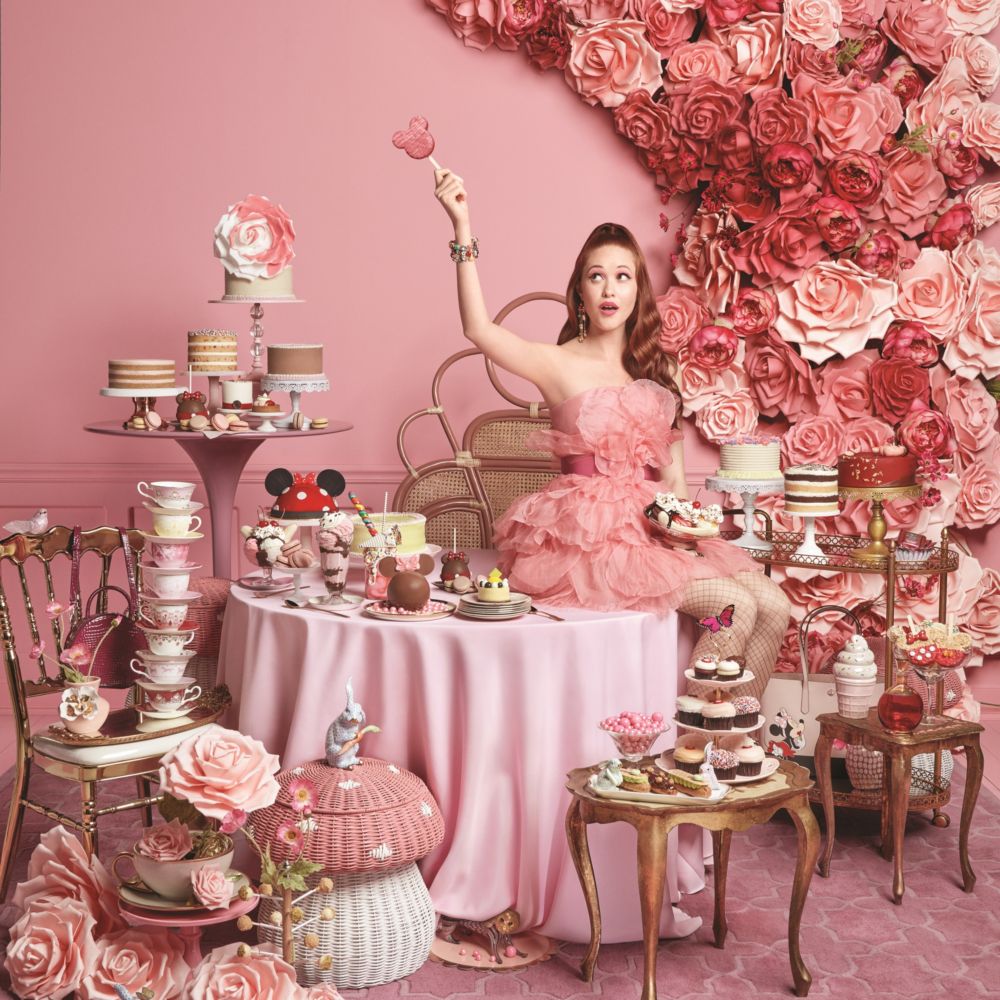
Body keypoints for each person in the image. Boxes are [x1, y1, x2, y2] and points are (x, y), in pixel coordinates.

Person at [434, 168, 790, 701]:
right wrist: (462, 226)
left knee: (775, 605)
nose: (609, 288)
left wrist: (686, 537)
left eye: (623, 276)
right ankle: (695, 747)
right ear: (579, 289)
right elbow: (478, 329)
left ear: (637, 290)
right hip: (592, 540)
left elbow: (671, 482)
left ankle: (741, 748)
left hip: (654, 532)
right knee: (732, 610)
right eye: (596, 276)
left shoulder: (650, 370)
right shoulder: (555, 364)